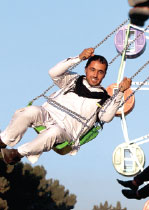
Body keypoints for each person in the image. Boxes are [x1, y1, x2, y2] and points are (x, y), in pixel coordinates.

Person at [0, 48, 131, 164]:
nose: (95, 75)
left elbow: (107, 117)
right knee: (29, 111)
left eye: (100, 72)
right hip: (48, 115)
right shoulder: (74, 80)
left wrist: (120, 92)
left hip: (66, 132)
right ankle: (3, 141)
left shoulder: (104, 98)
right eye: (92, 70)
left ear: (104, 75)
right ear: (86, 69)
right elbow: (53, 72)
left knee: (54, 132)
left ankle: (16, 154)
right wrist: (78, 58)